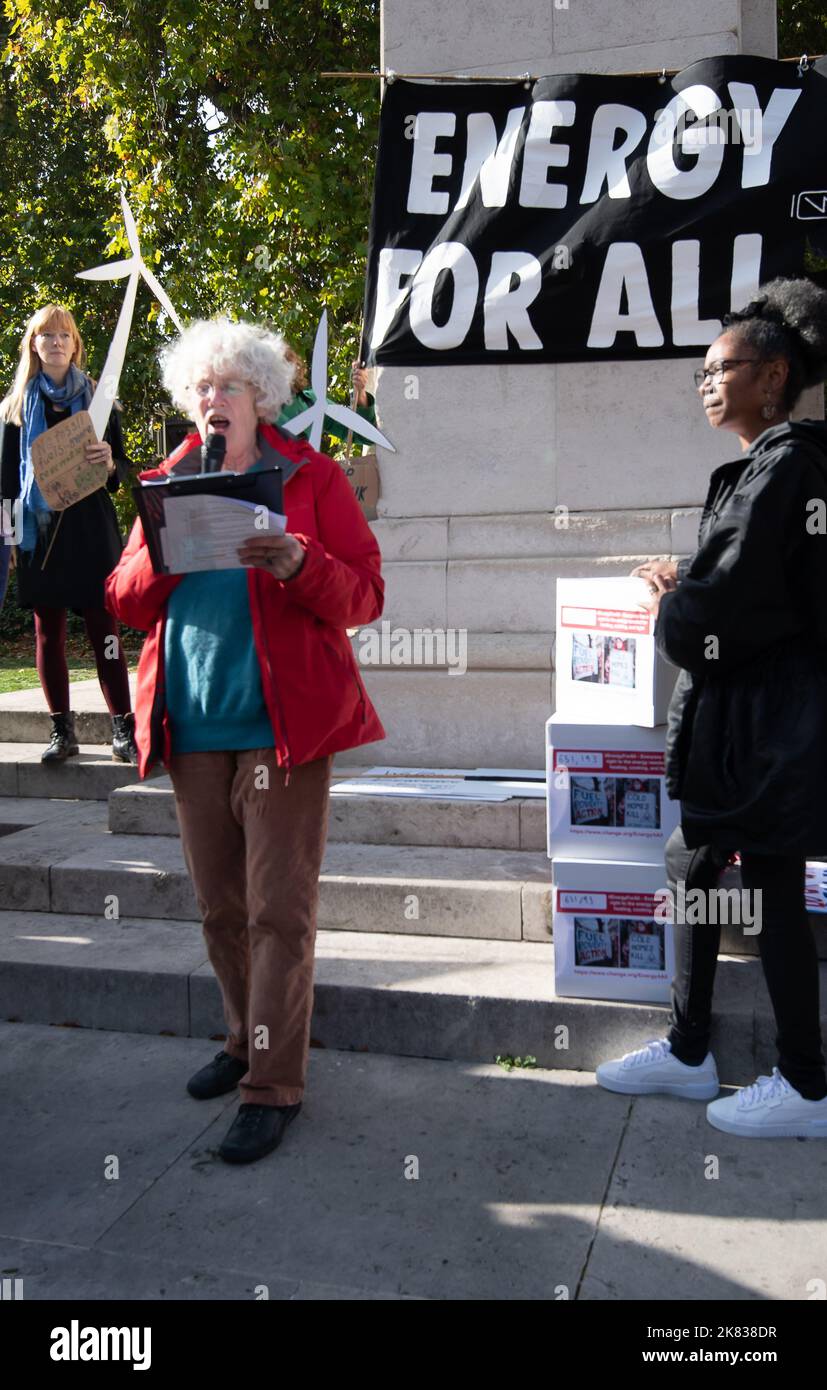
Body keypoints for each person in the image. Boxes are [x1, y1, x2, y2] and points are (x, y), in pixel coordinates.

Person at [104, 317, 385, 1165]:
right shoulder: (164, 481)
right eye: (201, 387)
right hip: (191, 727)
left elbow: (366, 594)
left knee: (277, 912)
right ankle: (241, 1039)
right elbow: (122, 600)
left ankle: (273, 1085)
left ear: (262, 397)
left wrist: (302, 565)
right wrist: (161, 549)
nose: (212, 400)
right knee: (220, 907)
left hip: (281, 730)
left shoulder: (310, 477)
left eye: (228, 386)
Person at [596, 277, 827, 1139]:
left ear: (770, 377)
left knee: (761, 885)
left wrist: (673, 602)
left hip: (765, 730)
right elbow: (735, 589)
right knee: (688, 862)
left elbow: (715, 617)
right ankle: (690, 1052)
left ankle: (804, 1085)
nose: (703, 382)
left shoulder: (786, 468)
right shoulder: (776, 466)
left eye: (718, 367)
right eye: (698, 370)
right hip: (742, 729)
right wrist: (687, 582)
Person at [0, 304, 137, 763]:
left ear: (76, 345)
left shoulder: (99, 400)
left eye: (64, 336)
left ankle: (124, 728)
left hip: (91, 528)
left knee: (105, 629)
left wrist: (110, 460)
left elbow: (122, 472)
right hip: (39, 533)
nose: (56, 343)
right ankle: (62, 731)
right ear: (34, 345)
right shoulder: (15, 409)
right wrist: (10, 540)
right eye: (47, 336)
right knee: (47, 633)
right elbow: (4, 483)